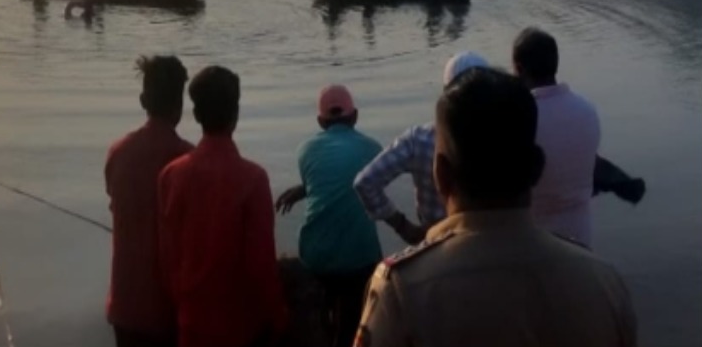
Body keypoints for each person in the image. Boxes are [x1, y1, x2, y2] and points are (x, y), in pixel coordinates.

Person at [355, 67, 637, 347]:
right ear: (537, 168)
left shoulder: (402, 292)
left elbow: (365, 181)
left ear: (441, 175)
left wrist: (401, 225)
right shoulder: (604, 285)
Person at [158, 66, 289, 347]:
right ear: (236, 114)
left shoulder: (171, 175)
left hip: (191, 325)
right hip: (241, 328)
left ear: (195, 115)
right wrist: (279, 318)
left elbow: (169, 258)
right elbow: (260, 265)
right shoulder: (253, 179)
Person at [273, 85, 383, 347]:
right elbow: (357, 184)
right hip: (361, 257)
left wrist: (304, 189)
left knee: (322, 320)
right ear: (354, 116)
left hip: (316, 256)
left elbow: (326, 181)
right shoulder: (374, 149)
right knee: (352, 322)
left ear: (320, 121)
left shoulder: (305, 150)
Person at [353, 52, 489, 245]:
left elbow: (365, 182)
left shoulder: (418, 139)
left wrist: (402, 225)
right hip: (488, 243)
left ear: (445, 93)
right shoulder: (502, 139)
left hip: (435, 245)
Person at [104, 56, 192, 347]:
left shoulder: (118, 153)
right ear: (181, 106)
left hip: (124, 308)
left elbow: (118, 208)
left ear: (143, 100)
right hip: (168, 312)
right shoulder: (188, 160)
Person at [511, 28, 604, 248]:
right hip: (580, 239)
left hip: (532, 245)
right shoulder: (587, 111)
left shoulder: (517, 118)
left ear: (519, 69)